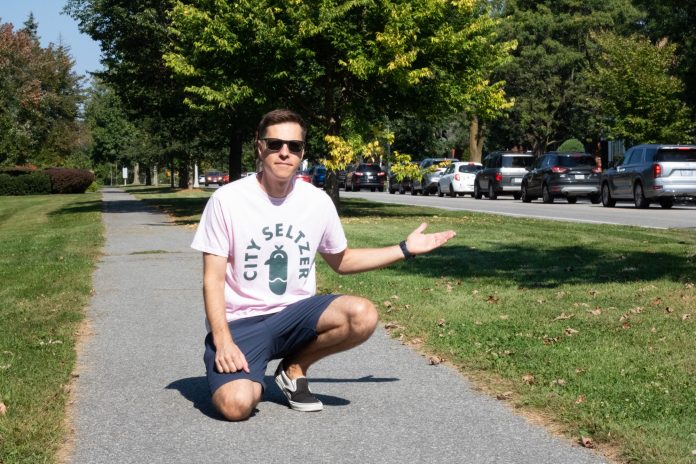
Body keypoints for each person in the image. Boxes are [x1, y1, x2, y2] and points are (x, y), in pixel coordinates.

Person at [191, 109, 456, 421]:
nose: (285, 152)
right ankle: (251, 374)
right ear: (259, 147)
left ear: (303, 152)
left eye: (295, 146)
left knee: (362, 315)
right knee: (236, 406)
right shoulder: (228, 200)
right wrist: (223, 341)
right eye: (275, 144)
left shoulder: (316, 201)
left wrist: (404, 249)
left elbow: (342, 261)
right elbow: (212, 280)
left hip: (296, 316)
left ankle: (294, 369)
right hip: (242, 323)